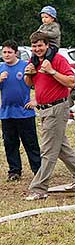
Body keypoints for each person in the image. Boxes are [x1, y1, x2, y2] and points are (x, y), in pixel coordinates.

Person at [24, 31, 75, 201]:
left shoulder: (57, 60)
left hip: (57, 108)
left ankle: (39, 188)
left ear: (47, 45)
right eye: (34, 46)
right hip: (44, 110)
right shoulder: (34, 61)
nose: (37, 49)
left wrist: (52, 71)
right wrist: (28, 74)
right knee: (60, 148)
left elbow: (71, 82)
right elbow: (31, 84)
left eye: (40, 45)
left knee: (48, 150)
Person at [0, 40, 41, 181]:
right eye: (4, 52)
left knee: (31, 143)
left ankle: (38, 170)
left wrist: (36, 100)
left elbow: (40, 83)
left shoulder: (25, 66)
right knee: (10, 144)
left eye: (9, 52)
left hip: (25, 113)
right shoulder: (0, 68)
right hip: (6, 113)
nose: (6, 55)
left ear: (16, 53)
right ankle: (14, 171)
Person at [27, 6, 61, 75]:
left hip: (53, 45)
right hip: (44, 44)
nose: (44, 19)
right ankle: (33, 66)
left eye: (46, 17)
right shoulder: (42, 26)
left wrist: (44, 34)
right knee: (34, 53)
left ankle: (46, 66)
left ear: (52, 18)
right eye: (42, 18)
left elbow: (54, 34)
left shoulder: (55, 26)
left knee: (49, 54)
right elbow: (38, 33)